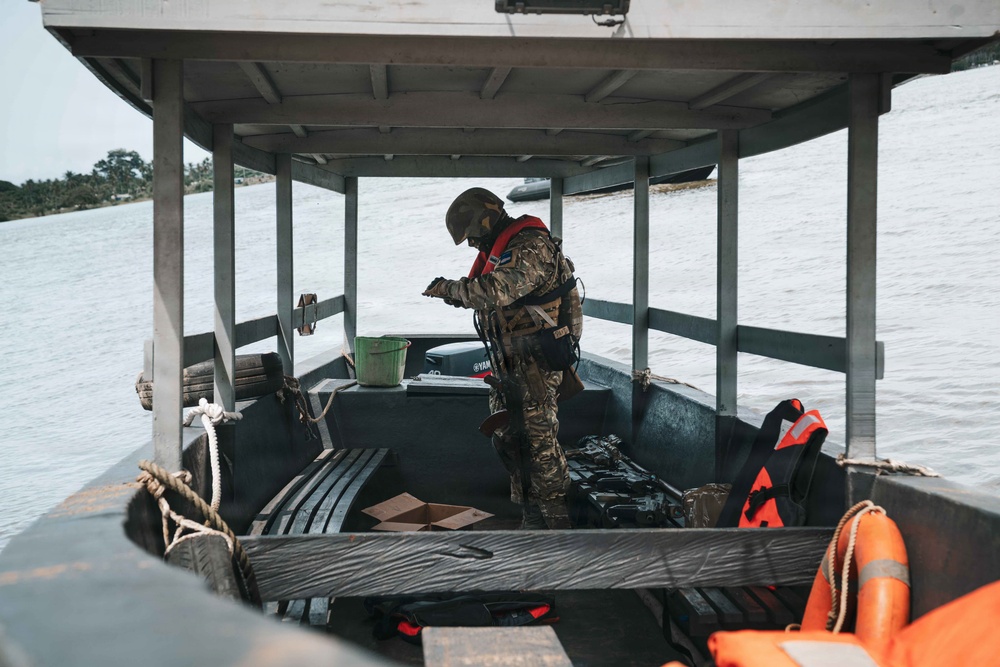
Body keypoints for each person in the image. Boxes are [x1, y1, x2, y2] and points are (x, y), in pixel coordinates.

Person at [423, 187, 582, 530]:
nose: (471, 244)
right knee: (510, 438)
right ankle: (531, 514)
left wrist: (450, 289)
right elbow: (493, 293)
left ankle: (558, 525)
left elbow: (496, 290)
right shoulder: (505, 248)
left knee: (539, 444)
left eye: (472, 235)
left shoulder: (530, 246)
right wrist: (459, 295)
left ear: (487, 221)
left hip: (536, 364)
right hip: (510, 363)